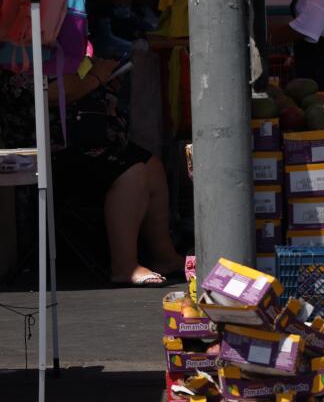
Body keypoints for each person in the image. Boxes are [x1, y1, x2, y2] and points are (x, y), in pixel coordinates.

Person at [0, 60, 185, 286]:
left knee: (151, 165)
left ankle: (164, 256)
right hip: (41, 152)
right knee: (130, 170)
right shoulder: (17, 59)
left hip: (81, 144)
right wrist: (98, 74)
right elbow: (56, 92)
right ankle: (124, 266)